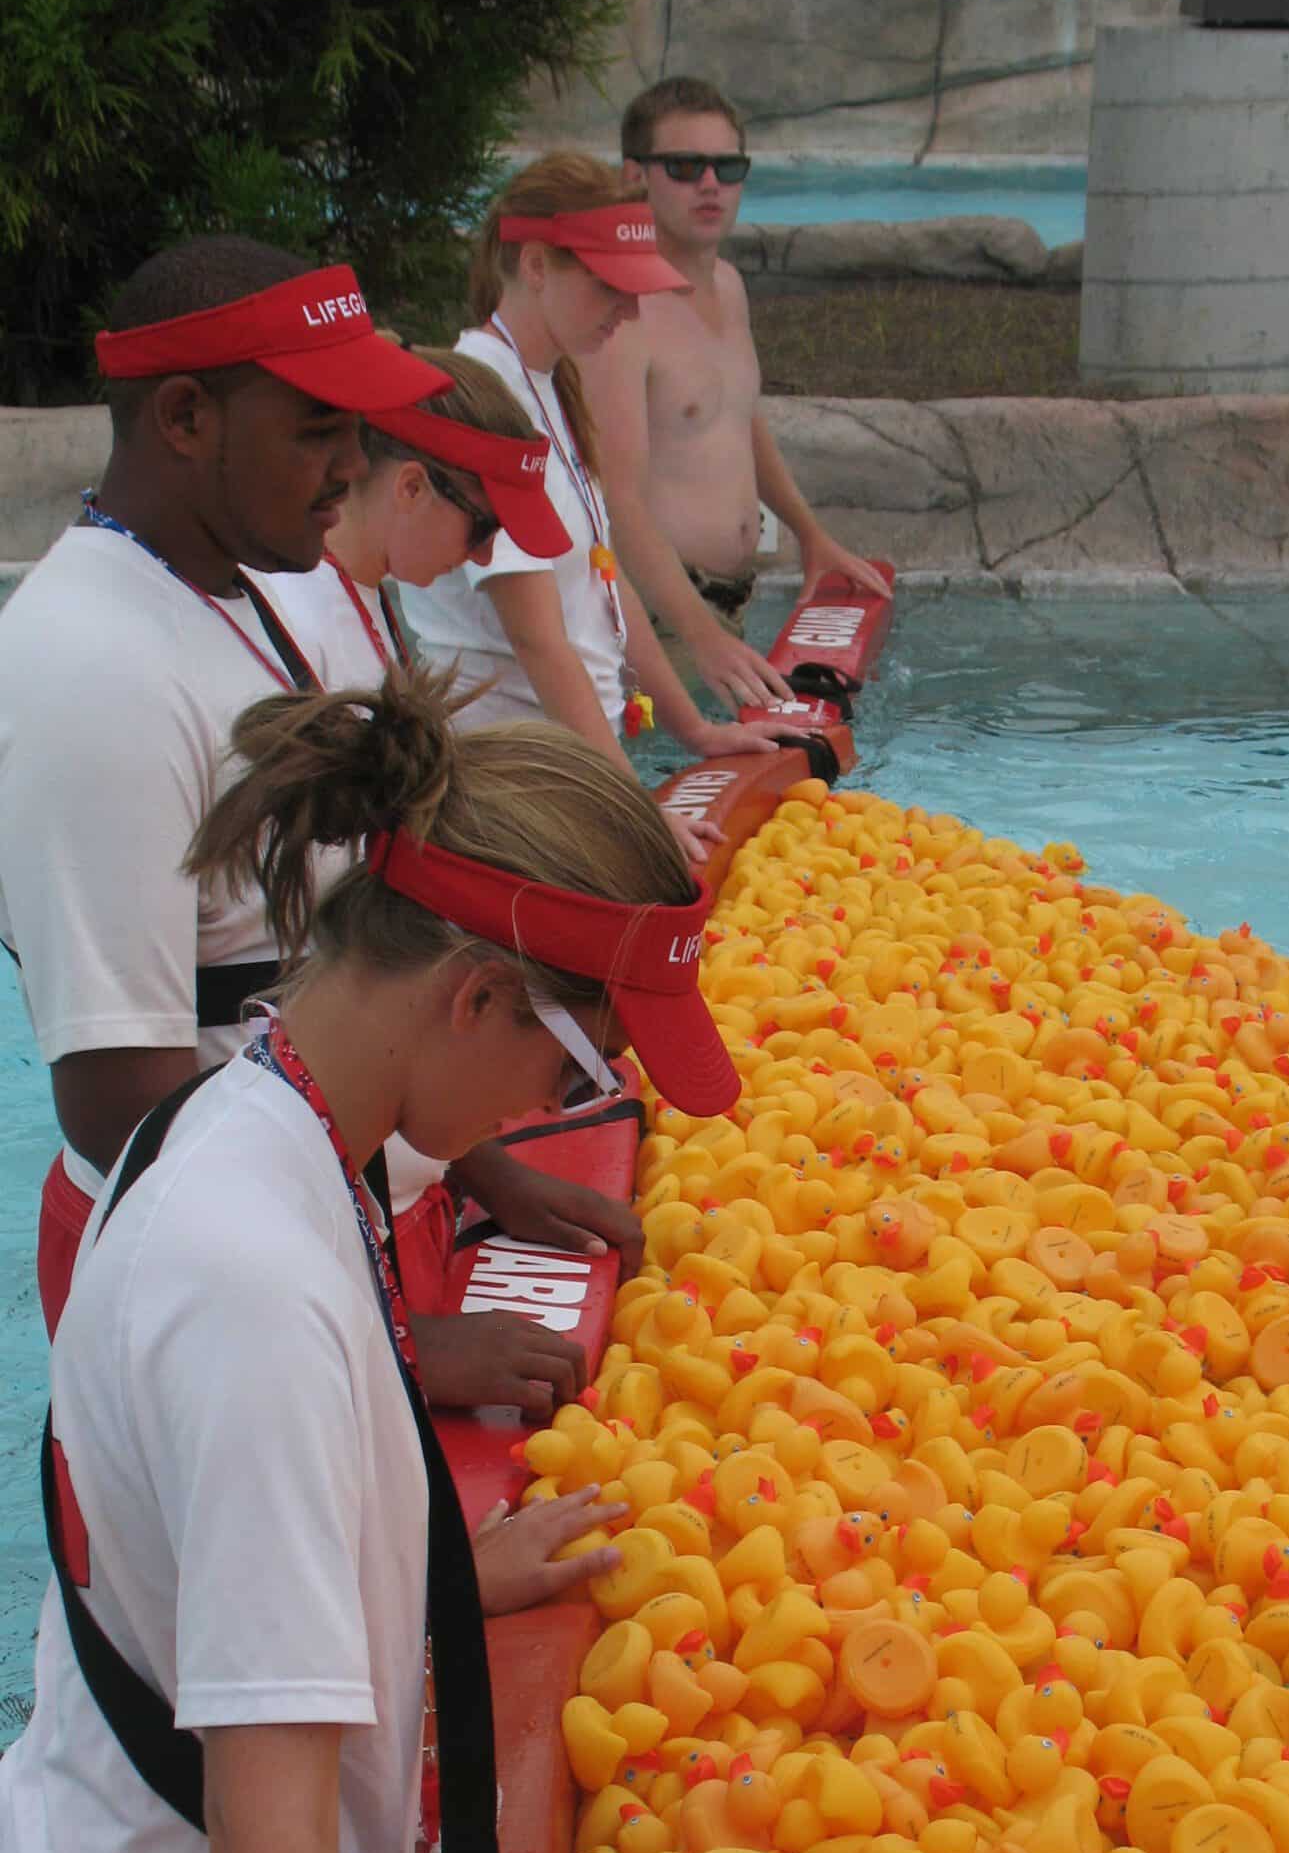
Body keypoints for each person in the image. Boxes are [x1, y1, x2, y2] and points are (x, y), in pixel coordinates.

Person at [0, 664, 738, 1853]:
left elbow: (195, 1558)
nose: (573, 1108)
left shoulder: (257, 1125)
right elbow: (269, 1814)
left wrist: (431, 1577)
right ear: (475, 993)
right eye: (580, 1070)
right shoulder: (256, 1286)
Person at [0, 240, 619, 1416]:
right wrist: (396, 1346)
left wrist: (472, 1160)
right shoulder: (92, 671)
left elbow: (330, 950)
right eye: (319, 430)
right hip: (201, 1299)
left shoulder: (228, 592)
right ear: (186, 417)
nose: (352, 464)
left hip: (300, 1241)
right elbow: (122, 1099)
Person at [250, 350, 651, 1321]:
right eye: (481, 528)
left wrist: (482, 1171)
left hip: (377, 1175)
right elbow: (314, 974)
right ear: (411, 485)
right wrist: (405, 1341)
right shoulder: (296, 631)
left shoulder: (365, 607)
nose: (482, 560)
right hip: (314, 1203)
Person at [399, 154, 778, 844]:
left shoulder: (550, 383)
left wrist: (694, 729)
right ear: (536, 265)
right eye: (609, 286)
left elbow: (605, 580)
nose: (629, 312)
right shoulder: (486, 401)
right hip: (513, 788)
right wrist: (634, 807)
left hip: (564, 770)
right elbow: (539, 640)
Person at [580, 76, 891, 701]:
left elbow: (739, 418)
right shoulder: (619, 315)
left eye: (727, 167)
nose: (710, 184)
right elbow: (617, 502)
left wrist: (811, 535)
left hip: (724, 611)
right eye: (684, 166)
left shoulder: (728, 285)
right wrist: (702, 639)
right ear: (634, 177)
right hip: (659, 621)